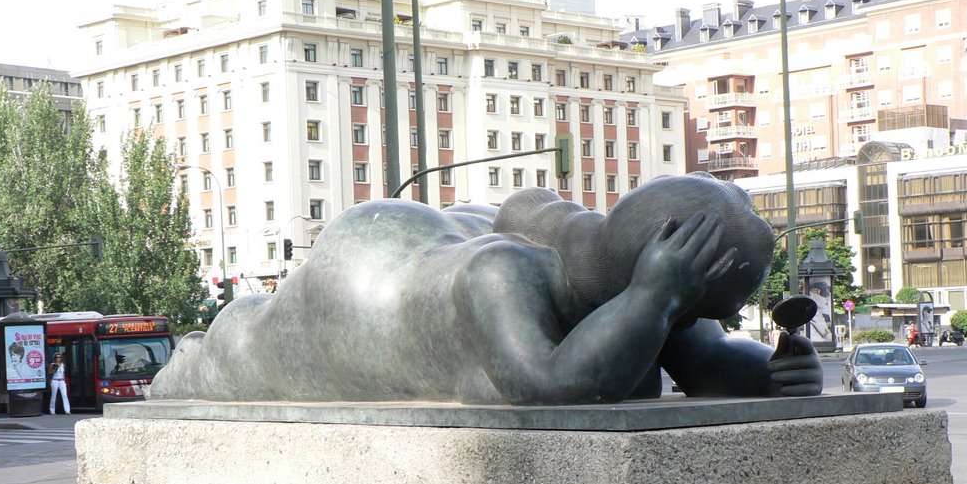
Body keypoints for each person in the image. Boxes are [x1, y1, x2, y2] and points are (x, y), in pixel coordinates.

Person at [151, 173, 823, 405]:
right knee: (246, 346)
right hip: (367, 277)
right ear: (667, 271)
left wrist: (774, 374)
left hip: (442, 238)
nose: (736, 314)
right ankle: (192, 355)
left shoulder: (626, 277)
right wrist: (653, 299)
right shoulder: (498, 278)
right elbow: (551, 386)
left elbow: (703, 358)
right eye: (730, 301)